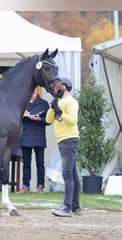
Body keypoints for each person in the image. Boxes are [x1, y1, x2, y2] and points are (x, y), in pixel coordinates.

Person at [46, 77, 81, 217]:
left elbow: (73, 120)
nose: (55, 88)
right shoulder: (59, 102)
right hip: (63, 141)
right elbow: (48, 120)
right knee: (73, 174)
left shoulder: (71, 101)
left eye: (58, 86)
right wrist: (53, 107)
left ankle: (67, 207)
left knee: (67, 173)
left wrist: (60, 112)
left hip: (69, 139)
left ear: (65, 86)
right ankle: (75, 206)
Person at [17, 86, 50, 194]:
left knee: (40, 163)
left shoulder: (44, 104)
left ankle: (40, 186)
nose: (32, 94)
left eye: (34, 92)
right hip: (25, 136)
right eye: (31, 92)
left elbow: (49, 121)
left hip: (39, 137)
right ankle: (25, 186)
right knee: (26, 163)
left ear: (38, 92)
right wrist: (23, 115)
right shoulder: (22, 103)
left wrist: (39, 119)